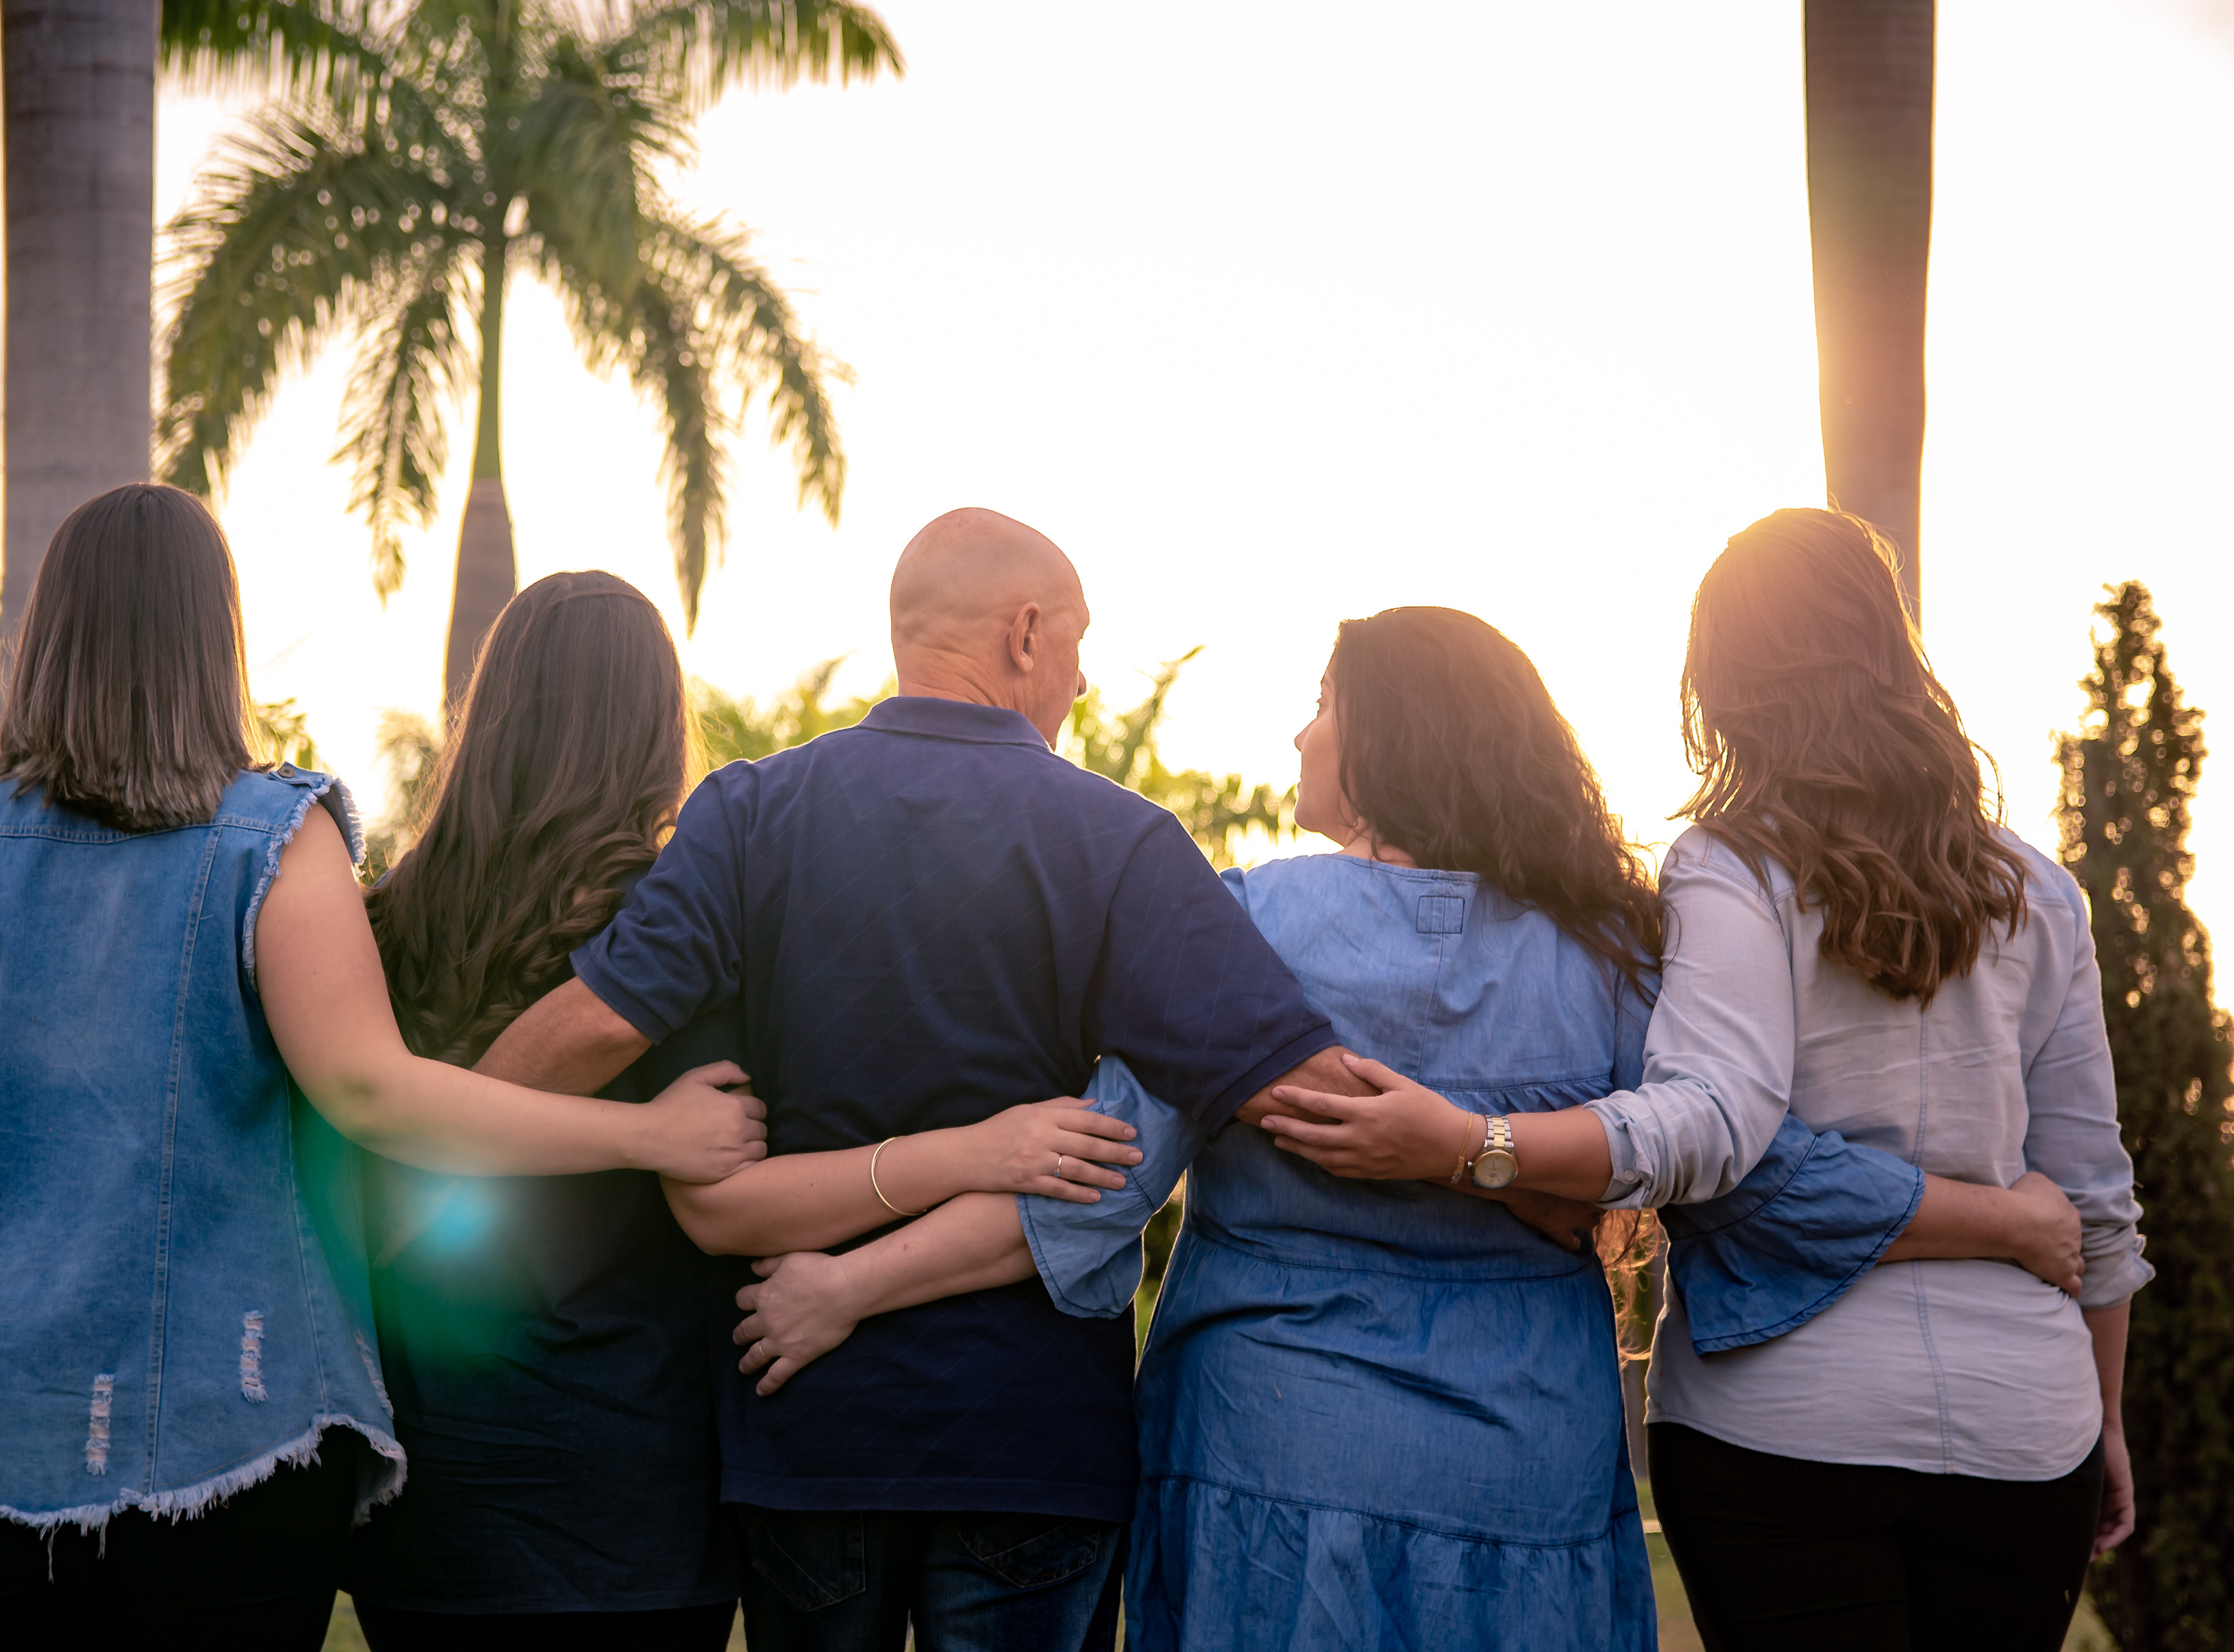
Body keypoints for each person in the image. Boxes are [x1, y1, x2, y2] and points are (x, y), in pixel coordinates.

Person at [730, 605, 2086, 1652]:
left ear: (1382, 740)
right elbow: (1745, 1157)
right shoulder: (1613, 952)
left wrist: (847, 1283)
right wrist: (2000, 1217)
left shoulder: (1247, 917)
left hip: (1273, 1453)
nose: (1301, 735)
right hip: (1530, 1479)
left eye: (1321, 705)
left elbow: (1095, 1182)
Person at [0, 485, 764, 1652]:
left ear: (45, 639)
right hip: (246, 1427)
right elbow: (368, 1091)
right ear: (214, 637)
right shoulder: (275, 840)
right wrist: (646, 1134)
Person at [473, 508, 1375, 1652]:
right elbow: (1295, 1088)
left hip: (805, 1420)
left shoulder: (751, 811)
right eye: (1080, 643)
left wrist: (439, 1125)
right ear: (1026, 632)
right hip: (1029, 1436)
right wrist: (1509, 1156)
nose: (1085, 681)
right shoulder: (1120, 840)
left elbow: (596, 1027)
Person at [1265, 511, 2148, 1651]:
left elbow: (1726, 1143)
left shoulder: (1733, 867)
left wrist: (1471, 1142)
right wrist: (2102, 1409)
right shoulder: (2042, 890)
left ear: (1720, 680)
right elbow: (2094, 1202)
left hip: (1786, 1428)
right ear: (1892, 651)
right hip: (2028, 1427)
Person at [343, 571, 1145, 1650]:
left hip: (429, 1478)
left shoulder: (376, 926)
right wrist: (972, 1150)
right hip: (642, 1482)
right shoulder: (684, 927)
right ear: (651, 728)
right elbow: (733, 1198)